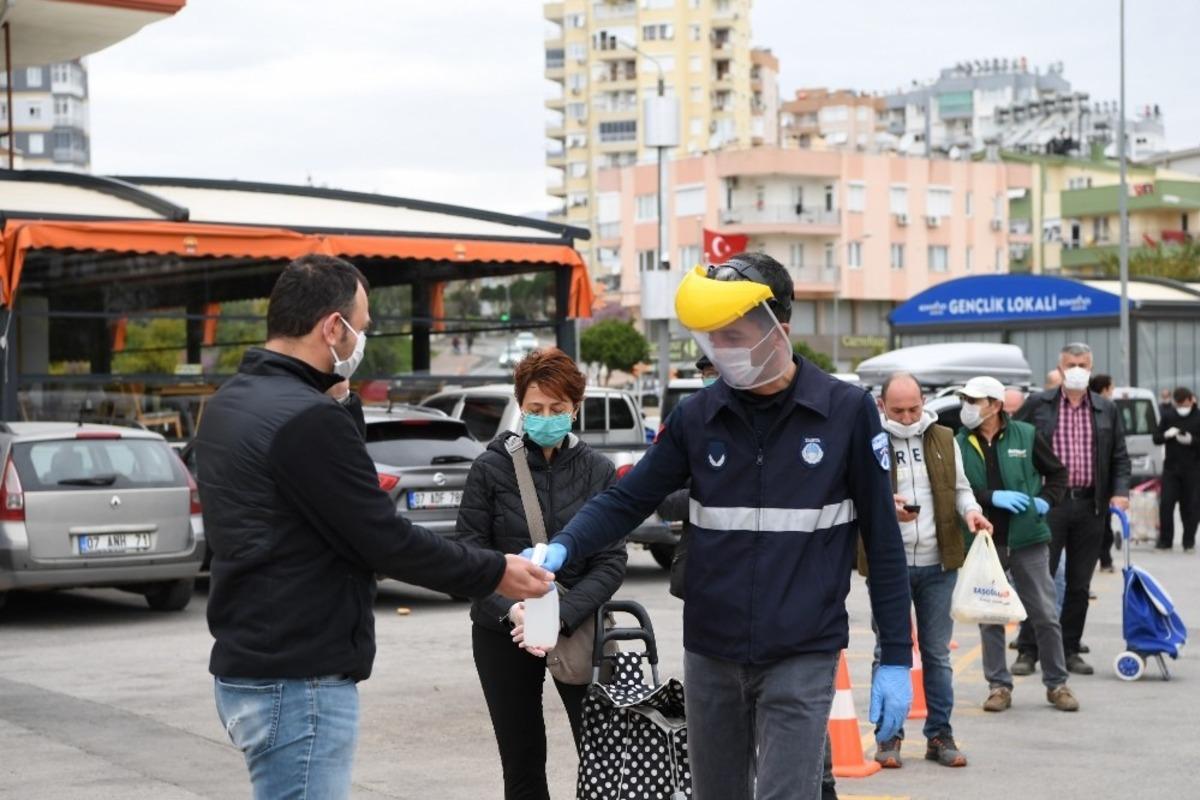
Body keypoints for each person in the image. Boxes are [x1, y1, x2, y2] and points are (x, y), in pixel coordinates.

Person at [523, 253, 914, 800]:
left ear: (781, 325)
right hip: (711, 653)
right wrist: (563, 546)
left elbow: (884, 542)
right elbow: (628, 499)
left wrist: (896, 655)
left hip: (801, 652)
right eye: (715, 337)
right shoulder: (697, 416)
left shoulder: (845, 413)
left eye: (737, 333)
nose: (725, 347)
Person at [196, 254, 553, 800]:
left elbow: (319, 502)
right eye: (360, 329)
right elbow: (383, 539)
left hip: (247, 662)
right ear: (331, 328)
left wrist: (338, 400)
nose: (361, 342)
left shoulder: (228, 405)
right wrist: (495, 571)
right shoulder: (306, 418)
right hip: (302, 677)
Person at [457, 348, 628, 800]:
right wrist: (512, 610)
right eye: (534, 410)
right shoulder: (490, 468)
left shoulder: (598, 471)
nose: (545, 418)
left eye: (556, 409)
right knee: (522, 760)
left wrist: (560, 615)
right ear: (520, 408)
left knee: (602, 757)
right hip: (503, 631)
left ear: (576, 408)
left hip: (576, 626)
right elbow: (469, 556)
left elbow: (610, 560)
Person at [865, 372, 992, 769]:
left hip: (939, 564)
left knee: (937, 654)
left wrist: (972, 513)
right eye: (898, 410)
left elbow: (960, 488)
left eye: (914, 408)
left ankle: (940, 735)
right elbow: (856, 492)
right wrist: (888, 506)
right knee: (889, 652)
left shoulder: (943, 438)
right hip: (890, 566)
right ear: (882, 405)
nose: (906, 417)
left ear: (924, 402)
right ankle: (888, 738)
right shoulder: (869, 440)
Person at [955, 376, 1077, 713]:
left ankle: (1057, 684)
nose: (967, 407)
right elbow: (956, 489)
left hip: (1028, 539)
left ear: (995, 405)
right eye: (964, 399)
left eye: (974, 401)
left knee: (1045, 614)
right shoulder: (959, 442)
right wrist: (991, 497)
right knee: (990, 615)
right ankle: (998, 686)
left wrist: (1045, 501)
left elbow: (1058, 475)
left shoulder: (1025, 434)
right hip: (986, 542)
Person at [1014, 343, 1131, 676]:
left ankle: (1068, 647)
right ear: (1060, 368)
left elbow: (1119, 457)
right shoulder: (1038, 404)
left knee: (1080, 583)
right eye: (1071, 364)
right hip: (1047, 506)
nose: (1077, 369)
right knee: (1039, 579)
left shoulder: (1107, 409)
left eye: (1083, 364)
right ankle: (1028, 648)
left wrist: (1120, 492)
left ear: (1091, 367)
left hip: (1091, 506)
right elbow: (1012, 444)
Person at [1152, 387, 1200, 552]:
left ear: (1190, 399)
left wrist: (1192, 440)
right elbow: (1156, 438)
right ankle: (1166, 540)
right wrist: (1166, 434)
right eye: (1177, 404)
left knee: (1191, 507)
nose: (1181, 407)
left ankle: (1188, 541)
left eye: (1183, 403)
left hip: (1193, 470)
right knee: (1166, 504)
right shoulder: (1168, 416)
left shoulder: (1198, 417)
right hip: (1171, 469)